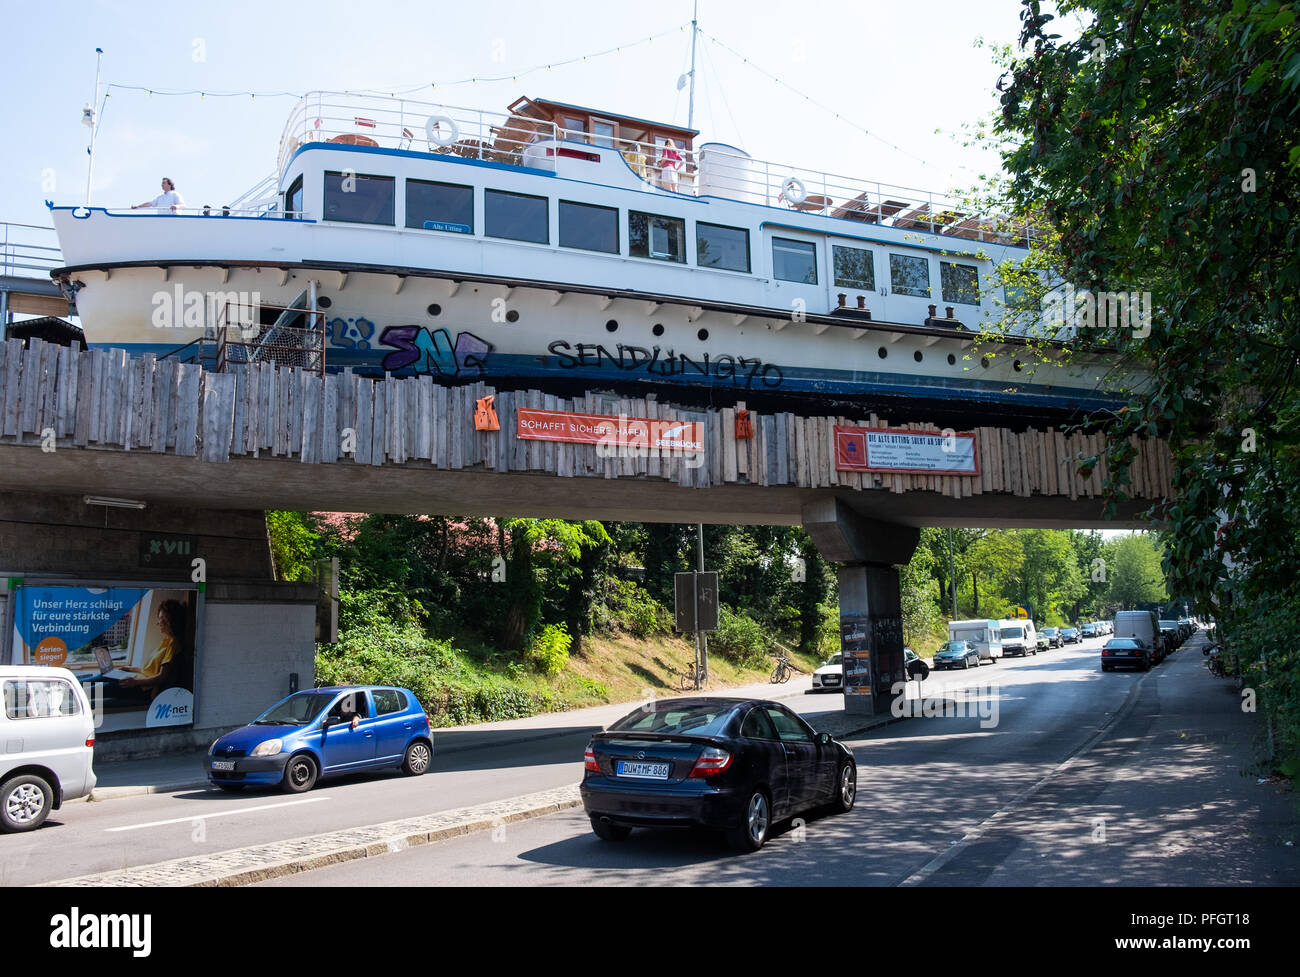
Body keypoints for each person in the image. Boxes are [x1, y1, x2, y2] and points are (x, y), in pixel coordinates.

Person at [118, 599, 188, 698]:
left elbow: (161, 677)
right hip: (139, 681)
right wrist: (130, 669)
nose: (158, 623)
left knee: (98, 688)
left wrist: (135, 682)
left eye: (162, 619)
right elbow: (149, 671)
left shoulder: (174, 645)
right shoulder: (165, 642)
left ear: (170, 621)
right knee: (99, 679)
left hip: (144, 688)